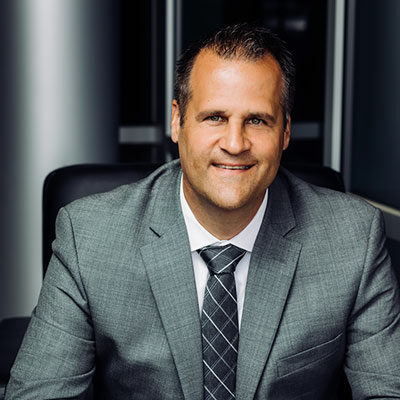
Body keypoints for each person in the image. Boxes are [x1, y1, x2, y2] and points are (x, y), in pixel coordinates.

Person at [6, 23, 400, 400]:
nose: (235, 144)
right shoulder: (90, 237)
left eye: (257, 120)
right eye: (215, 117)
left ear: (285, 132)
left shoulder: (352, 237)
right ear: (177, 121)